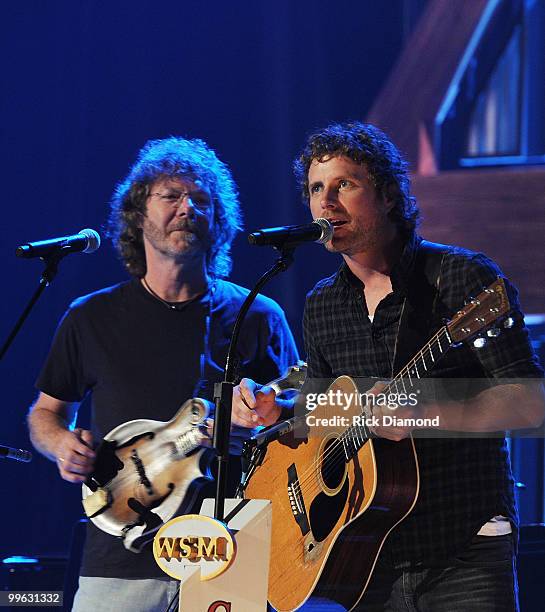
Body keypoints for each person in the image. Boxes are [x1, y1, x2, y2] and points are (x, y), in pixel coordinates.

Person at [239, 121, 544, 611]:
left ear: (387, 196)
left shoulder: (463, 277)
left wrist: (423, 415)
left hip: (462, 547)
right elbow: (325, 416)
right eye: (317, 188)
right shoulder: (322, 305)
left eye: (345, 184)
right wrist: (285, 411)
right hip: (363, 553)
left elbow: (530, 403)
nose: (326, 202)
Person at [27, 136, 298, 612]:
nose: (187, 207)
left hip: (230, 550)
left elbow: (296, 422)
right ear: (138, 214)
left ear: (219, 219)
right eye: (171, 195)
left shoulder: (258, 314)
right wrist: (59, 445)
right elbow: (47, 414)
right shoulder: (89, 317)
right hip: (119, 555)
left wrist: (266, 417)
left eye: (202, 199)